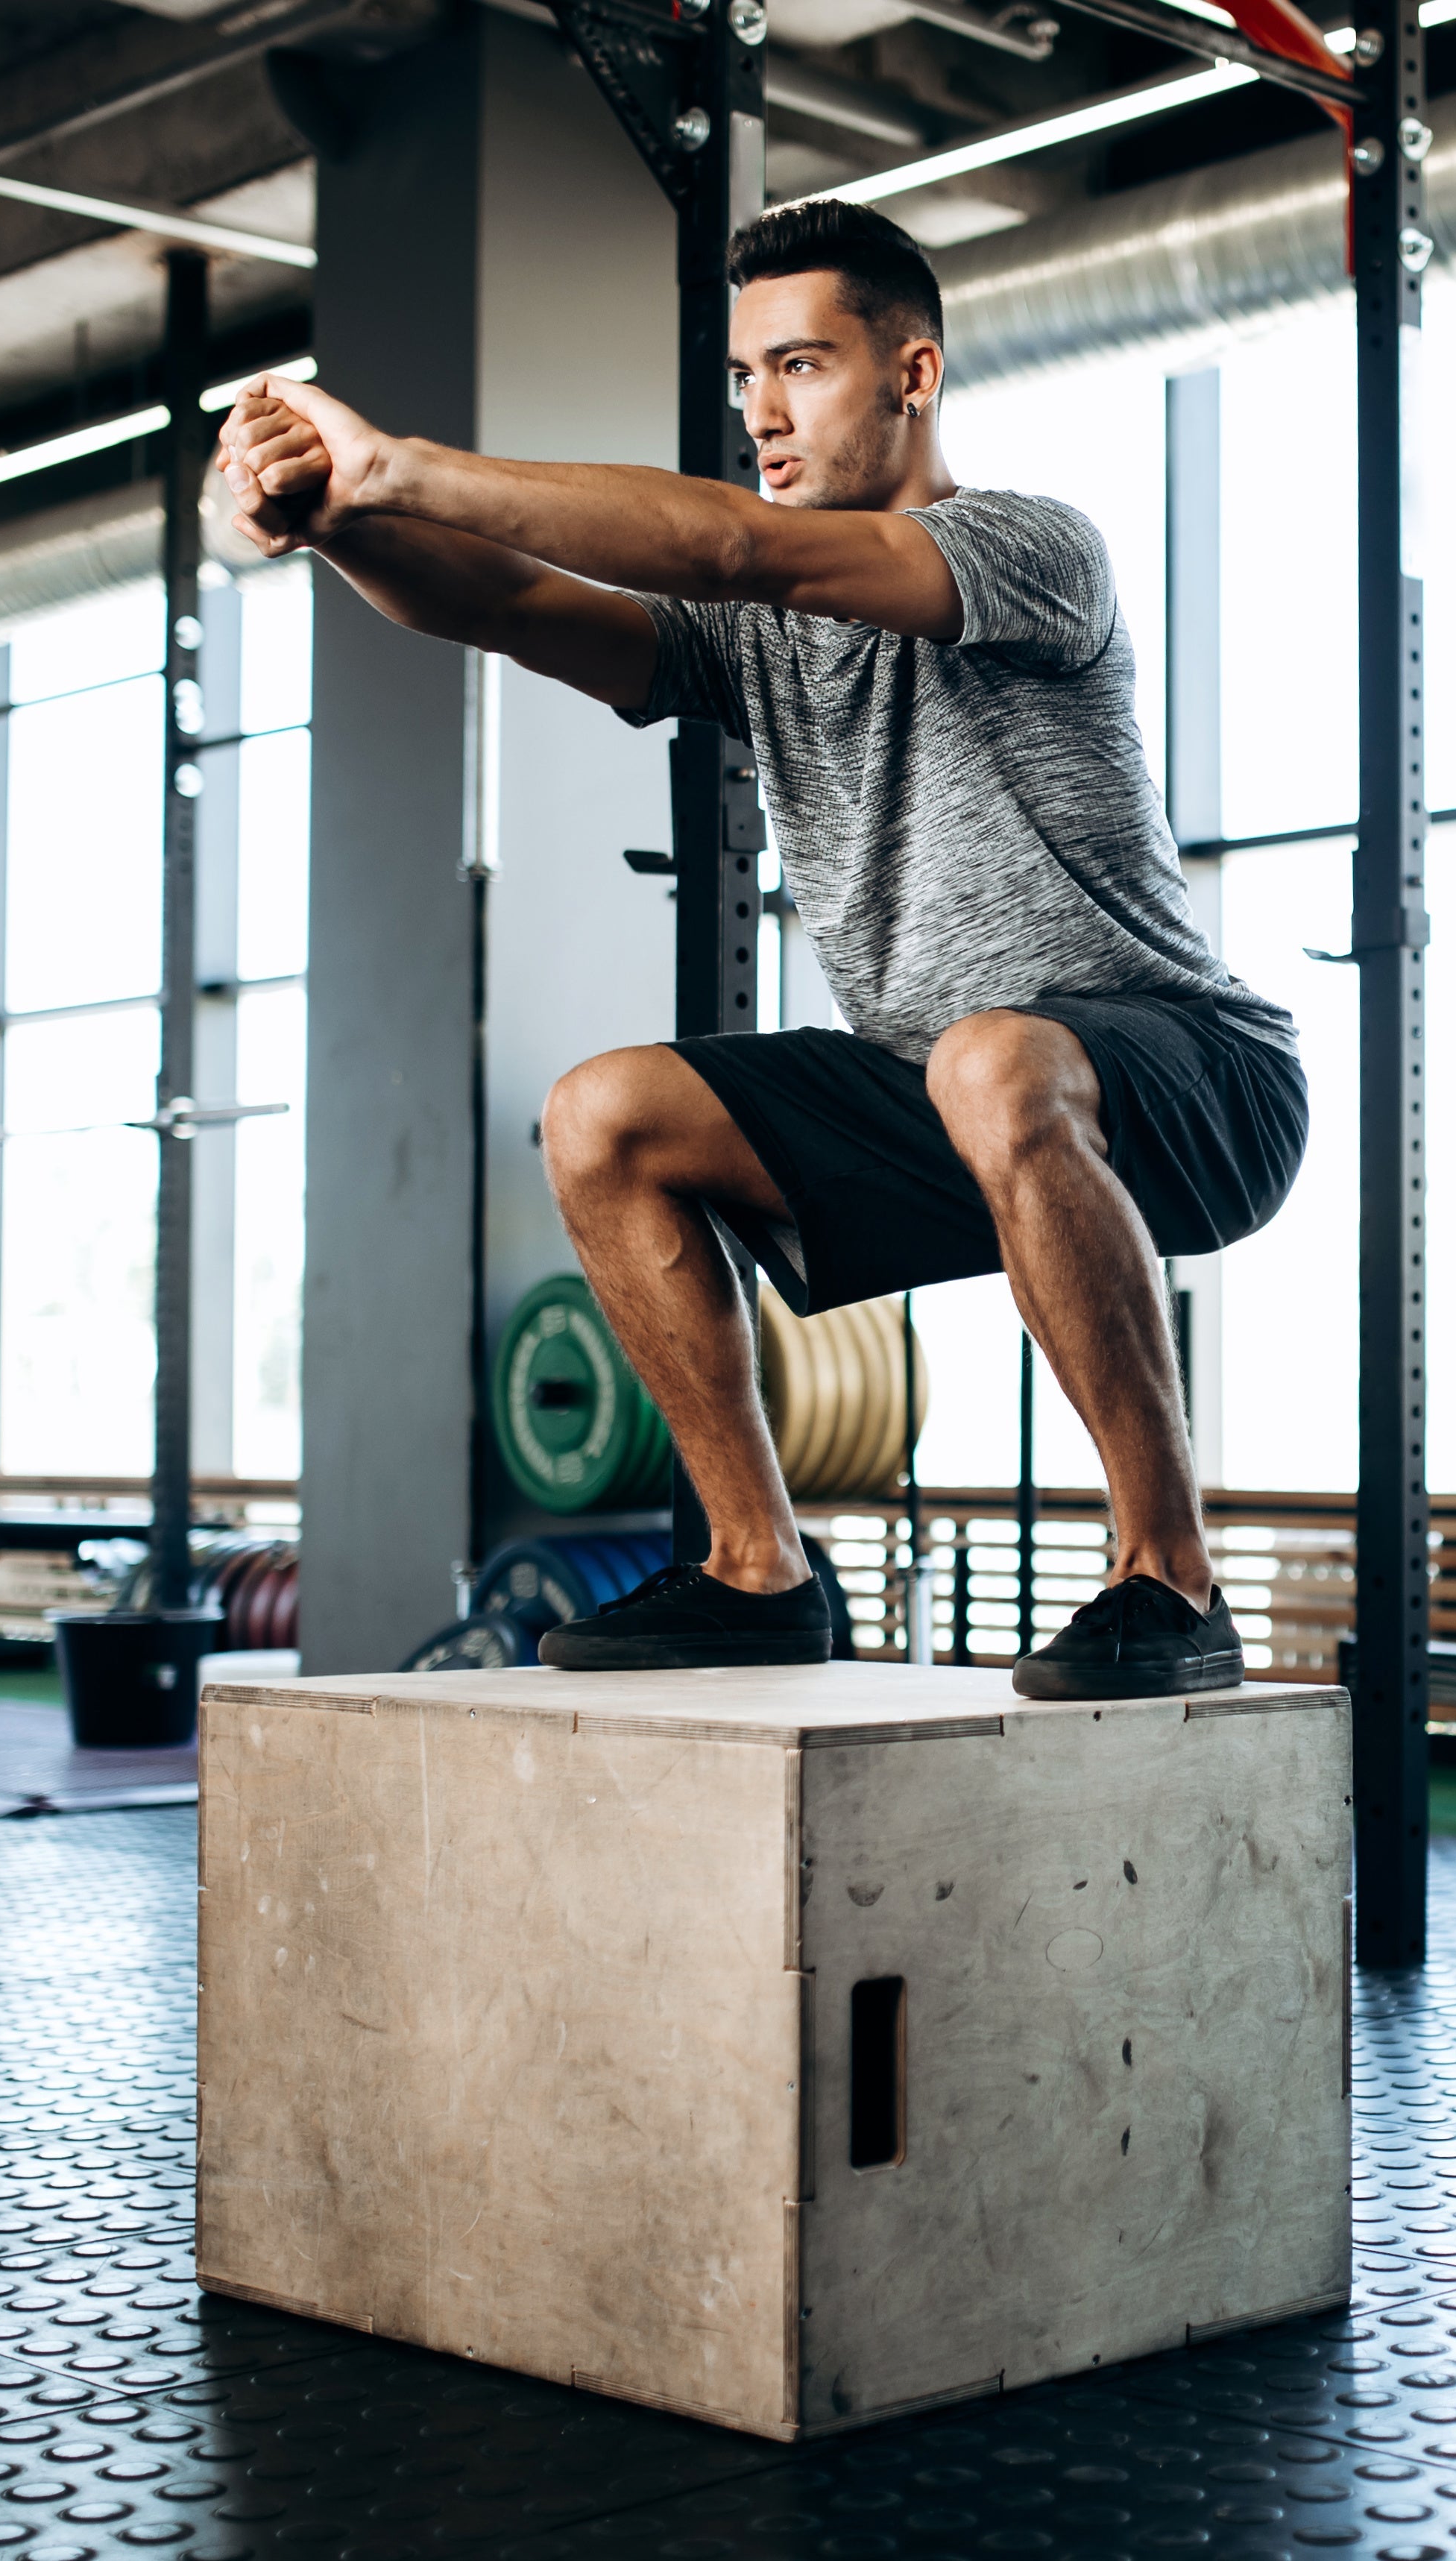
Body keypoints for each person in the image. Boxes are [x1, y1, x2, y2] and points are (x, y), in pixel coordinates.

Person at [213, 198, 1299, 1701]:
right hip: (953, 1091)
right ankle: (756, 1568)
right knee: (604, 1115)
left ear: (913, 373)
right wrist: (341, 524)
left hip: (1199, 1082)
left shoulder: (1030, 549)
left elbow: (742, 548)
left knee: (993, 1055)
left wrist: (404, 463)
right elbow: (513, 603)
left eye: (802, 366)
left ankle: (1168, 1580)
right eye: (746, 377)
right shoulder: (759, 635)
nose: (763, 413)